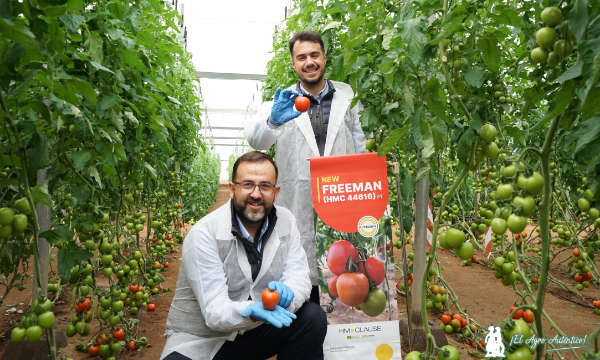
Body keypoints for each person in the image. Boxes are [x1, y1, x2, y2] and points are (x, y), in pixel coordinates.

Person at [160, 151, 327, 360]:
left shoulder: (286, 221)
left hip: (257, 330)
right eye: (247, 184)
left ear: (276, 192)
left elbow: (299, 275)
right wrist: (251, 310)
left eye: (265, 186)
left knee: (312, 318)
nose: (256, 194)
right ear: (232, 189)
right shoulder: (204, 234)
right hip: (203, 339)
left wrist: (290, 293)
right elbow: (214, 312)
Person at [245, 30, 366, 303]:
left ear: (324, 57)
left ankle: (337, 334)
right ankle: (307, 326)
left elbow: (360, 143)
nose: (309, 62)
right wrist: (273, 122)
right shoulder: (282, 100)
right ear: (293, 63)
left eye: (314, 55)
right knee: (301, 267)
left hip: (341, 195)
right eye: (301, 57)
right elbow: (257, 140)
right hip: (297, 196)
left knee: (339, 268)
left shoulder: (347, 97)